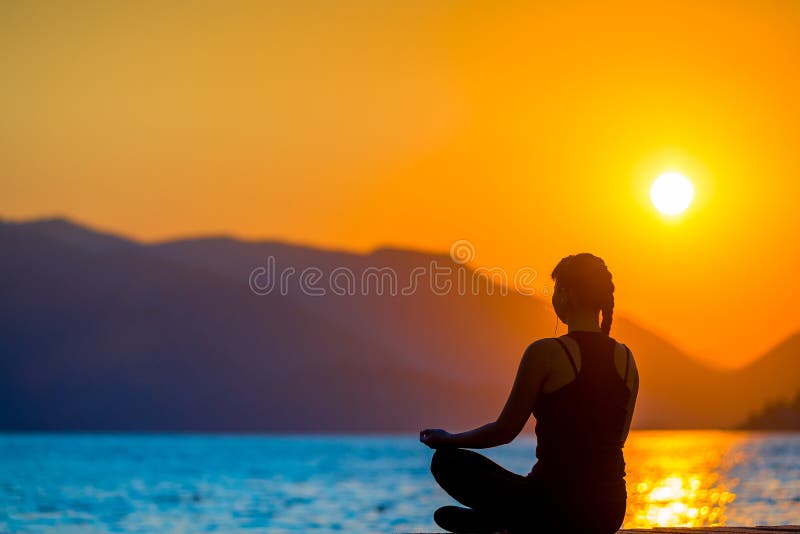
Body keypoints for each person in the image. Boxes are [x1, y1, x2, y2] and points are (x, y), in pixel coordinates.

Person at [420, 253, 639, 534]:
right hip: (609, 512)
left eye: (555, 290)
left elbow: (505, 430)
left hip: (553, 505)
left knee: (446, 462)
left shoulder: (546, 352)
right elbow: (619, 437)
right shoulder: (627, 359)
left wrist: (450, 439)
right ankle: (504, 521)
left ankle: (503, 521)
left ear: (566, 294)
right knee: (524, 499)